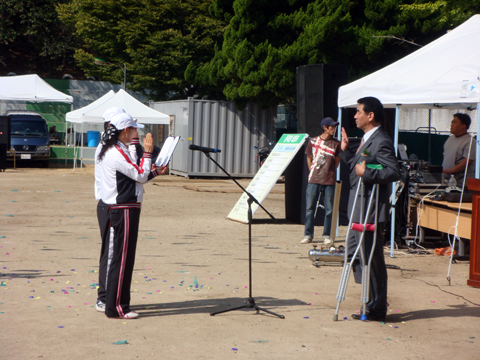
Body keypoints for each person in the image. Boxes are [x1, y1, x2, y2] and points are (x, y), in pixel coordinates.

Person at [98, 112, 167, 319]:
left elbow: (137, 176)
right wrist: (147, 153)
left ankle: (116, 304)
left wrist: (154, 172)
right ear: (125, 130)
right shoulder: (115, 152)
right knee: (122, 259)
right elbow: (139, 174)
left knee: (123, 258)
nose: (136, 133)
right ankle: (117, 307)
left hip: (125, 207)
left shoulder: (118, 148)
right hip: (123, 209)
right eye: (133, 129)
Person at [340, 96, 400, 321]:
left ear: (370, 115)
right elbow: (356, 169)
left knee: (372, 257)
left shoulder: (381, 140)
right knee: (354, 252)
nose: (355, 115)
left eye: (358, 112)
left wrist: (370, 173)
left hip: (371, 208)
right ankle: (369, 296)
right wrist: (346, 152)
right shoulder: (367, 139)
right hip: (359, 205)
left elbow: (393, 171)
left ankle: (376, 306)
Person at [94, 107, 126, 313]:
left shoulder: (108, 146)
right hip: (109, 204)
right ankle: (104, 297)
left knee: (111, 251)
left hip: (107, 203)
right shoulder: (108, 149)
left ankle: (108, 295)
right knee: (110, 252)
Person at [301, 117, 342, 246]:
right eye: (332, 127)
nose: (334, 129)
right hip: (314, 179)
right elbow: (309, 158)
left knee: (329, 209)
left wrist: (329, 172)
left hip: (329, 180)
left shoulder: (336, 143)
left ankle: (327, 235)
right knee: (310, 208)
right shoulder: (313, 141)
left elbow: (337, 161)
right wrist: (313, 172)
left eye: (335, 127)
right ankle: (308, 235)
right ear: (325, 127)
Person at [442, 113, 476, 189]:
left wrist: (450, 171)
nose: (452, 124)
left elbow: (467, 161)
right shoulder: (450, 138)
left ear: (463, 126)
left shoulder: (470, 141)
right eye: (452, 122)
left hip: (462, 184)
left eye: (455, 122)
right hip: (447, 181)